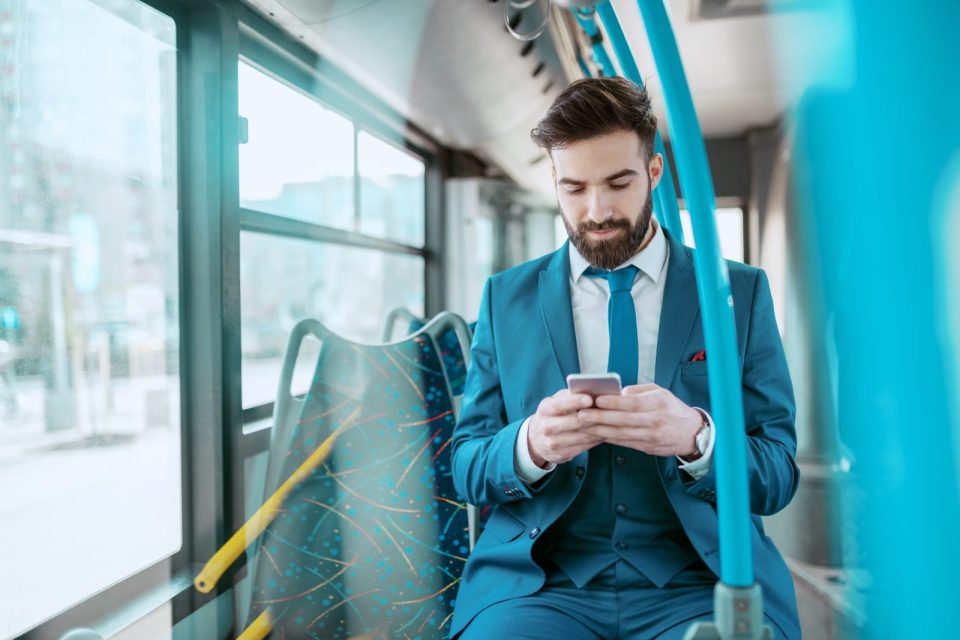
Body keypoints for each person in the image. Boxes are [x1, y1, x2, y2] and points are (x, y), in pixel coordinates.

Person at [448, 77, 800, 639]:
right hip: (541, 586)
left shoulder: (738, 293)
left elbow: (778, 474)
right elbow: (465, 466)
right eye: (575, 188)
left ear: (654, 172)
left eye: (618, 182)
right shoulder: (505, 298)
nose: (597, 210)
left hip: (699, 581)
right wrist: (531, 445)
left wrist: (696, 438)